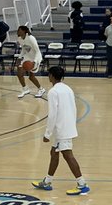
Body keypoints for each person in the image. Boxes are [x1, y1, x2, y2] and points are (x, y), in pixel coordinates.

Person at [31, 65, 88, 195]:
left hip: (61, 128)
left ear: (51, 76)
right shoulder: (68, 89)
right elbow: (74, 108)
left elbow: (52, 115)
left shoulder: (53, 92)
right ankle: (47, 181)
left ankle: (82, 184)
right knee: (54, 152)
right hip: (66, 125)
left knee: (68, 155)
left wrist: (47, 134)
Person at [14, 25, 45, 99]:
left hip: (36, 57)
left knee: (31, 77)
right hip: (27, 56)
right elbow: (25, 49)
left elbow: (37, 51)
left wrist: (34, 61)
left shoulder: (31, 38)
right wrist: (19, 57)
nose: (18, 31)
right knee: (19, 74)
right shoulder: (19, 39)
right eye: (18, 30)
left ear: (24, 31)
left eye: (19, 30)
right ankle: (25, 89)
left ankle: (41, 89)